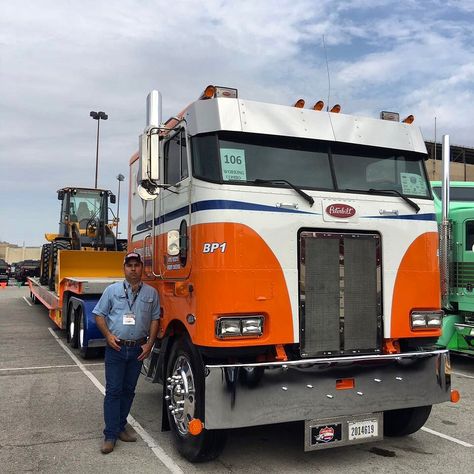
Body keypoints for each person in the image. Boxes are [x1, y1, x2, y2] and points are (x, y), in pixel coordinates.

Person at [93, 251, 160, 454]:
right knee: (114, 391)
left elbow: (156, 319)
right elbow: (99, 314)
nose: (133, 269)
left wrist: (149, 344)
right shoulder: (112, 291)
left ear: (142, 268)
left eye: (137, 265)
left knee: (129, 391)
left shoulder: (151, 293)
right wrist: (108, 335)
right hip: (117, 348)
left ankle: (120, 426)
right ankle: (110, 435)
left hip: (138, 349)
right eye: (129, 265)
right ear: (124, 268)